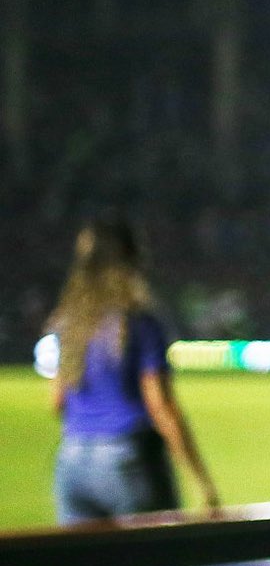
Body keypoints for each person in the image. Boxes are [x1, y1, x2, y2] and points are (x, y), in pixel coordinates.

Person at [46, 217, 220, 524]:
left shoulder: (68, 323)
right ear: (132, 259)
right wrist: (201, 480)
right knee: (150, 564)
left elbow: (56, 401)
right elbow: (161, 407)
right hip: (128, 459)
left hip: (72, 460)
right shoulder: (139, 322)